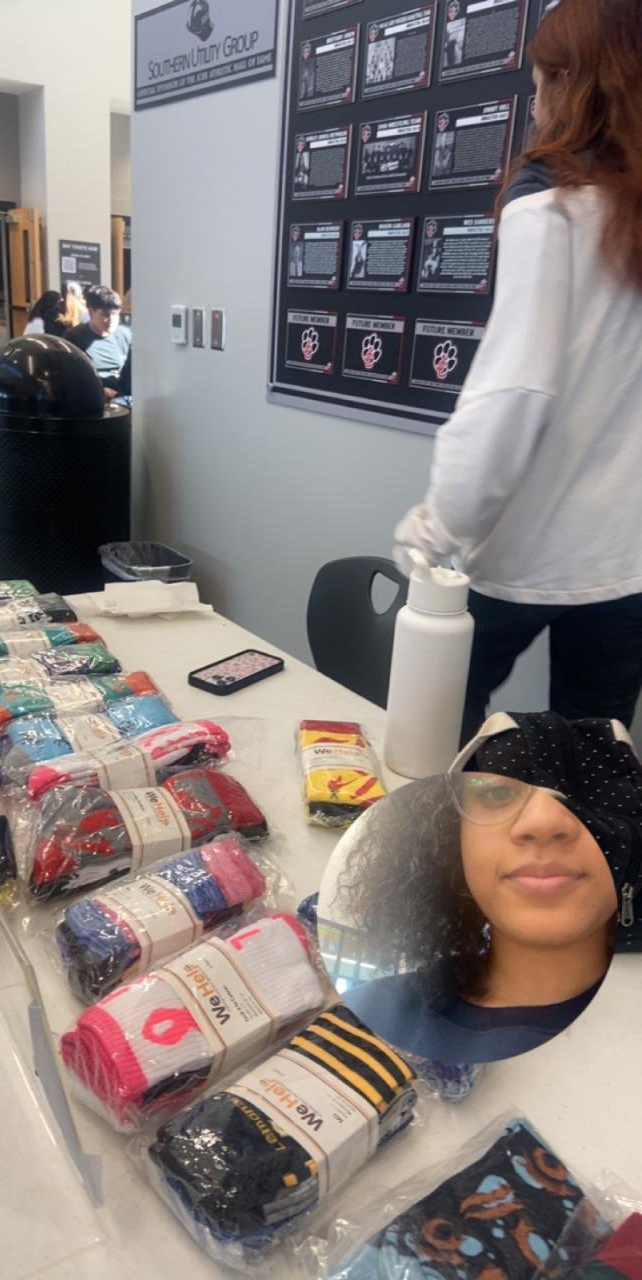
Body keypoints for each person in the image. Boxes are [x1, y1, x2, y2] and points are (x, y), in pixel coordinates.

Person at [393, 0, 642, 745]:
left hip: (522, 553)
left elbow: (514, 393)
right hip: (627, 565)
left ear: (571, 85)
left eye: (539, 85)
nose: (534, 109)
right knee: (594, 771)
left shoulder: (553, 211)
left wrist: (435, 525)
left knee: (427, 745)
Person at [329, 771, 618, 1064]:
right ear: (451, 839)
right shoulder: (370, 1013)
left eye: (591, 793)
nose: (543, 822)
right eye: (498, 794)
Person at [66, 284, 131, 400]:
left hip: (122, 396)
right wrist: (101, 392)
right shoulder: (73, 338)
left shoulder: (126, 335)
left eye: (115, 314)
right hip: (93, 397)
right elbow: (71, 380)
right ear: (91, 313)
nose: (111, 320)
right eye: (105, 315)